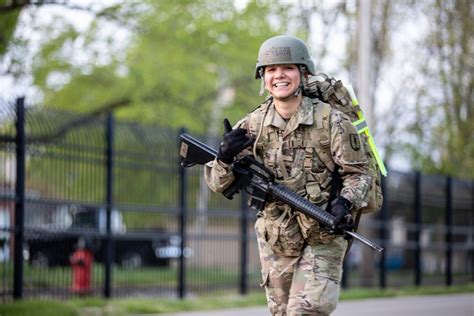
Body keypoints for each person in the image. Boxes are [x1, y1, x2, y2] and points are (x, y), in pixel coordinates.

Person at [205, 35, 371, 316]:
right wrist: (224, 157)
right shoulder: (251, 125)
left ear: (303, 74)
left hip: (324, 231)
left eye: (287, 68)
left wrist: (345, 202)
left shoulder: (333, 121)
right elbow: (217, 185)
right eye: (271, 70)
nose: (279, 76)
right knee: (282, 313)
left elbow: (360, 173)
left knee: (306, 310)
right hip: (277, 236)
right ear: (263, 77)